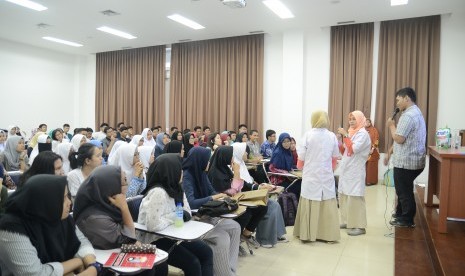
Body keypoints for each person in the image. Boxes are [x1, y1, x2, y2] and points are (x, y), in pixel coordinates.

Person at [73, 165, 168, 276]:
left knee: (159, 264)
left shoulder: (107, 204)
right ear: (110, 187)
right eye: (124, 182)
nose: (127, 186)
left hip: (114, 251)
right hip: (102, 264)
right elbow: (129, 238)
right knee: (148, 270)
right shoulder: (94, 218)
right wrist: (125, 208)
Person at [0, 175, 98, 275]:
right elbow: (34, 273)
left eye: (68, 196)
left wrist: (92, 265)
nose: (69, 203)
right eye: (63, 198)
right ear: (45, 202)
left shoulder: (58, 216)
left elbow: (82, 241)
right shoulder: (10, 229)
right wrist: (76, 262)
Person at [137, 154, 214, 276]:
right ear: (171, 171)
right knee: (192, 263)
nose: (182, 172)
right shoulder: (158, 192)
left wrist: (174, 216)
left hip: (175, 234)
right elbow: (153, 226)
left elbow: (187, 212)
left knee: (206, 252)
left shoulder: (177, 188)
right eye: (180, 169)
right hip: (156, 239)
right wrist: (175, 216)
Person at [182, 147, 241, 276]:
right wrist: (213, 198)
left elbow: (212, 191)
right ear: (199, 160)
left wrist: (221, 197)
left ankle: (230, 269)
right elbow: (191, 203)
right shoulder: (187, 176)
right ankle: (223, 273)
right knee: (222, 238)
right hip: (195, 218)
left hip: (207, 214)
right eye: (207, 160)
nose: (209, 163)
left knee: (235, 227)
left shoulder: (202, 173)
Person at [208, 146, 268, 253]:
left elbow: (242, 184)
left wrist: (258, 187)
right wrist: (236, 174)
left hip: (237, 199)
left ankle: (246, 234)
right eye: (230, 156)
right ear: (224, 157)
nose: (232, 159)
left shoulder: (226, 168)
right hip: (224, 203)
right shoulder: (215, 173)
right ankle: (235, 240)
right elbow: (230, 192)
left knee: (262, 207)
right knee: (246, 213)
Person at [293, 111, 341, 242]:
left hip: (311, 174)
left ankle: (307, 235)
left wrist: (301, 167)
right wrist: (329, 168)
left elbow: (301, 156)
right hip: (326, 175)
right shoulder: (332, 136)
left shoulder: (308, 135)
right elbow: (335, 156)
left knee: (310, 200)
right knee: (327, 202)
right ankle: (328, 235)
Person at [231, 143, 287, 249]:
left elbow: (249, 181)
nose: (247, 153)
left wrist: (261, 186)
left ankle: (277, 235)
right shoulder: (234, 166)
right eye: (245, 151)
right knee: (269, 206)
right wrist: (258, 188)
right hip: (245, 196)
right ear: (238, 153)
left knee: (275, 204)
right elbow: (240, 186)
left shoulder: (241, 164)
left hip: (252, 191)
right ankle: (264, 239)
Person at [386, 87, 426, 228]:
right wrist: (391, 151)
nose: (396, 103)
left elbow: (399, 138)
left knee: (404, 190)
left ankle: (407, 219)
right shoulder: (416, 112)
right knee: (402, 188)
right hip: (412, 159)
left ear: (406, 98)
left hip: (406, 162)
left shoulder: (408, 116)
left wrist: (391, 125)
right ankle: (400, 213)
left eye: (398, 100)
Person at [337, 110, 371, 236]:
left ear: (360, 120)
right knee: (344, 196)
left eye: (354, 119)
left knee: (355, 198)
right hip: (347, 170)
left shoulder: (363, 134)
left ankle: (359, 226)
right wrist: (340, 140)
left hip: (356, 171)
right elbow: (344, 151)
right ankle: (347, 222)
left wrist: (345, 135)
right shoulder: (351, 132)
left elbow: (354, 149)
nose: (351, 121)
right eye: (350, 119)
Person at [269, 133, 300, 198]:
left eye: (288, 141)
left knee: (301, 182)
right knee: (298, 186)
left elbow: (289, 166)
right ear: (280, 142)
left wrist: (298, 167)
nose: (286, 144)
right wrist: (285, 172)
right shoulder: (278, 153)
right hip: (278, 180)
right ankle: (294, 206)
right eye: (284, 142)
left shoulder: (288, 152)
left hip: (287, 177)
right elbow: (272, 168)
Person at [365, 118, 380, 185]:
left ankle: (371, 181)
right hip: (364, 151)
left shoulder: (374, 130)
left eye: (368, 122)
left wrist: (372, 149)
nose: (366, 123)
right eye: (365, 122)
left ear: (370, 123)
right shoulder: (363, 130)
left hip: (372, 151)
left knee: (371, 167)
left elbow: (376, 140)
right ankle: (365, 180)